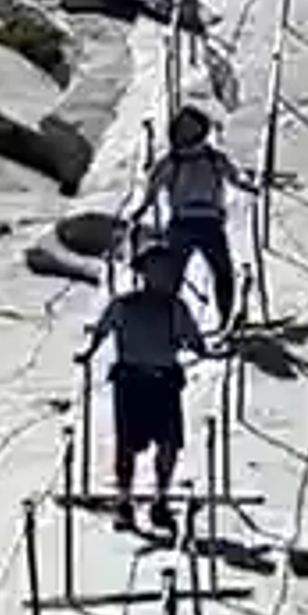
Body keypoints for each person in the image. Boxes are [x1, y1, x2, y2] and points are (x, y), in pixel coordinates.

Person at [93, 228, 201, 539]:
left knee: (168, 445)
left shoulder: (175, 307)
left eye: (166, 269)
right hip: (131, 382)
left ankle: (160, 500)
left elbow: (193, 339)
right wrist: (89, 352)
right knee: (126, 446)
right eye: (156, 269)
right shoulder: (124, 305)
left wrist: (196, 346)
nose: (162, 275)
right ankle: (125, 501)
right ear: (144, 273)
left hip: (165, 382)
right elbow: (103, 329)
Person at [146, 100, 244, 336]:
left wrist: (249, 186)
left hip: (202, 222)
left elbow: (234, 178)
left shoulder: (209, 158)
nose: (185, 132)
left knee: (220, 273)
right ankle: (167, 325)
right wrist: (143, 208)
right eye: (182, 128)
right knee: (176, 277)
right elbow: (152, 189)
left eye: (189, 127)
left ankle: (224, 322)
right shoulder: (174, 161)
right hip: (188, 222)